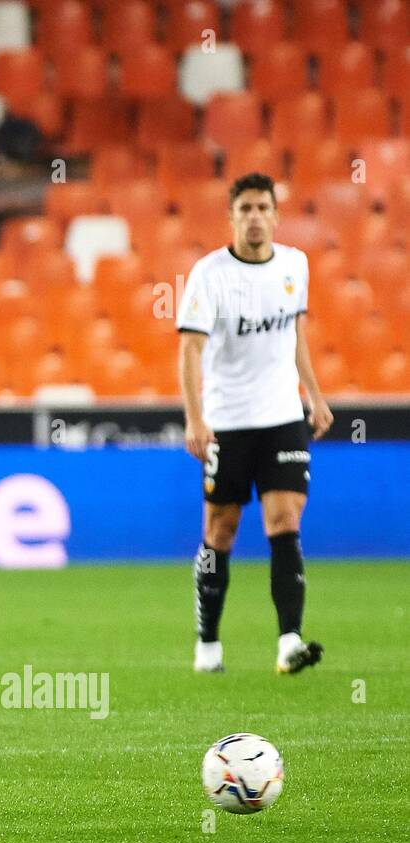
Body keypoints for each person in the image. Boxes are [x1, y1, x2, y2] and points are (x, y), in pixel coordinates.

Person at [177, 172, 333, 675]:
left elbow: (296, 334)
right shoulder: (209, 274)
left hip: (282, 416)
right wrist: (196, 418)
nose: (255, 217)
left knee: (285, 521)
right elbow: (190, 349)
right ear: (232, 217)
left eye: (263, 207)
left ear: (275, 214)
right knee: (220, 530)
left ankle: (289, 641)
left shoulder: (295, 264)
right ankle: (208, 645)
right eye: (245, 209)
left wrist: (313, 393)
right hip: (227, 420)